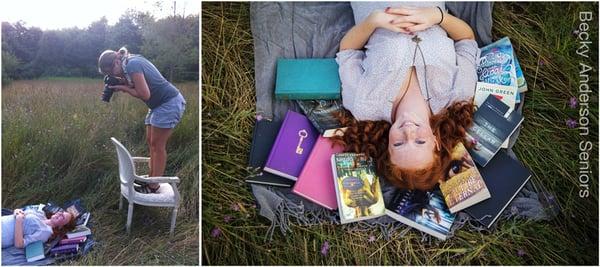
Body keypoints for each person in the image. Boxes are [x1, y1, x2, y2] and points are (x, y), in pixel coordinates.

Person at [332, 2, 478, 191]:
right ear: (436, 142)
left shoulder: (364, 105)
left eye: (399, 143)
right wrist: (438, 16)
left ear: (388, 147)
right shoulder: (458, 94)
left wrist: (373, 21)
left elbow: (347, 51)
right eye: (420, 141)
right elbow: (466, 40)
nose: (409, 132)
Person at [97, 47, 186, 194]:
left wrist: (122, 87)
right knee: (151, 143)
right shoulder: (127, 65)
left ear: (117, 60)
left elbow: (144, 94)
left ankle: (153, 185)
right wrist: (120, 84)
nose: (112, 74)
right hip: (157, 106)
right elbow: (137, 86)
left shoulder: (132, 64)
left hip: (168, 103)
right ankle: (151, 179)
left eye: (111, 71)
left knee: (158, 145)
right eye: (109, 74)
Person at [1, 209, 76, 248]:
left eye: (62, 217)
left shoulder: (46, 232)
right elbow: (18, 211)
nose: (59, 214)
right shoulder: (41, 214)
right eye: (61, 212)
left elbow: (19, 244)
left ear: (61, 226)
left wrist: (19, 221)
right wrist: (17, 211)